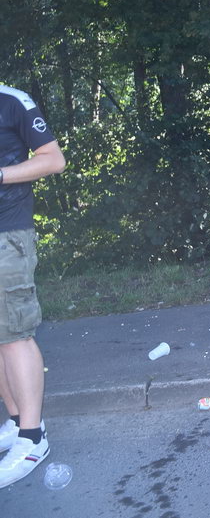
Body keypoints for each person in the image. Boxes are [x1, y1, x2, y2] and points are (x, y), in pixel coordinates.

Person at [0, 84, 66, 488]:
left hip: (7, 234)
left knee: (16, 336)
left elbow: (53, 160)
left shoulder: (11, 101)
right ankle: (15, 424)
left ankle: (32, 439)